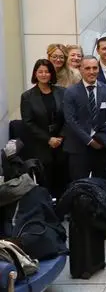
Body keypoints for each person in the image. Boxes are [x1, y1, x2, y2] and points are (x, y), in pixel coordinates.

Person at [21, 59, 68, 199]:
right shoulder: (27, 96)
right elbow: (28, 123)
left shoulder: (62, 92)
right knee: (45, 182)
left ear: (51, 73)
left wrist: (61, 137)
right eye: (40, 72)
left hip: (62, 143)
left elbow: (69, 118)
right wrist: (48, 139)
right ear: (35, 74)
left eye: (47, 72)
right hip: (41, 145)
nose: (44, 74)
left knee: (63, 180)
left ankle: (62, 205)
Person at [63, 56, 106, 181]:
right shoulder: (71, 92)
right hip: (78, 147)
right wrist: (90, 141)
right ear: (80, 69)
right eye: (87, 68)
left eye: (95, 68)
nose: (92, 71)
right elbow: (71, 120)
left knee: (101, 185)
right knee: (79, 185)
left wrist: (101, 140)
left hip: (101, 147)